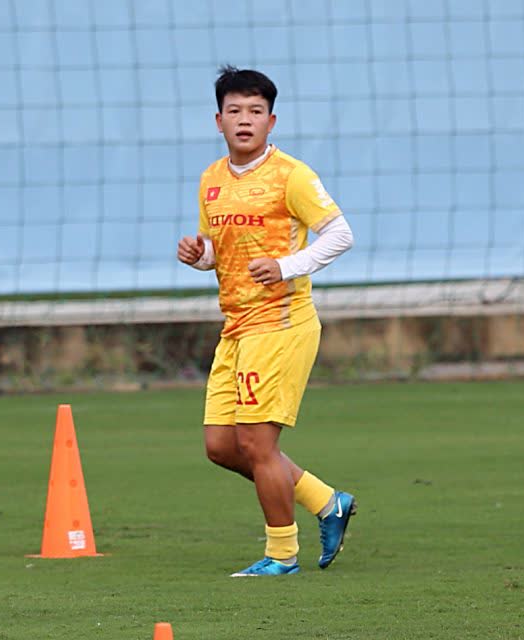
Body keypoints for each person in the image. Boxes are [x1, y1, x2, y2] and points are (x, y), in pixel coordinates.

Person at [176, 66, 356, 577]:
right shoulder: (212, 179)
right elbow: (221, 248)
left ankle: (282, 554)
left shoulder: (292, 175)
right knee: (221, 446)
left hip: (282, 322)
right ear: (219, 120)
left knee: (257, 444)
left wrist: (286, 267)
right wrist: (201, 253)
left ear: (271, 121)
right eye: (235, 111)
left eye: (256, 111)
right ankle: (327, 501)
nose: (245, 120)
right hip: (235, 325)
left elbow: (340, 234)